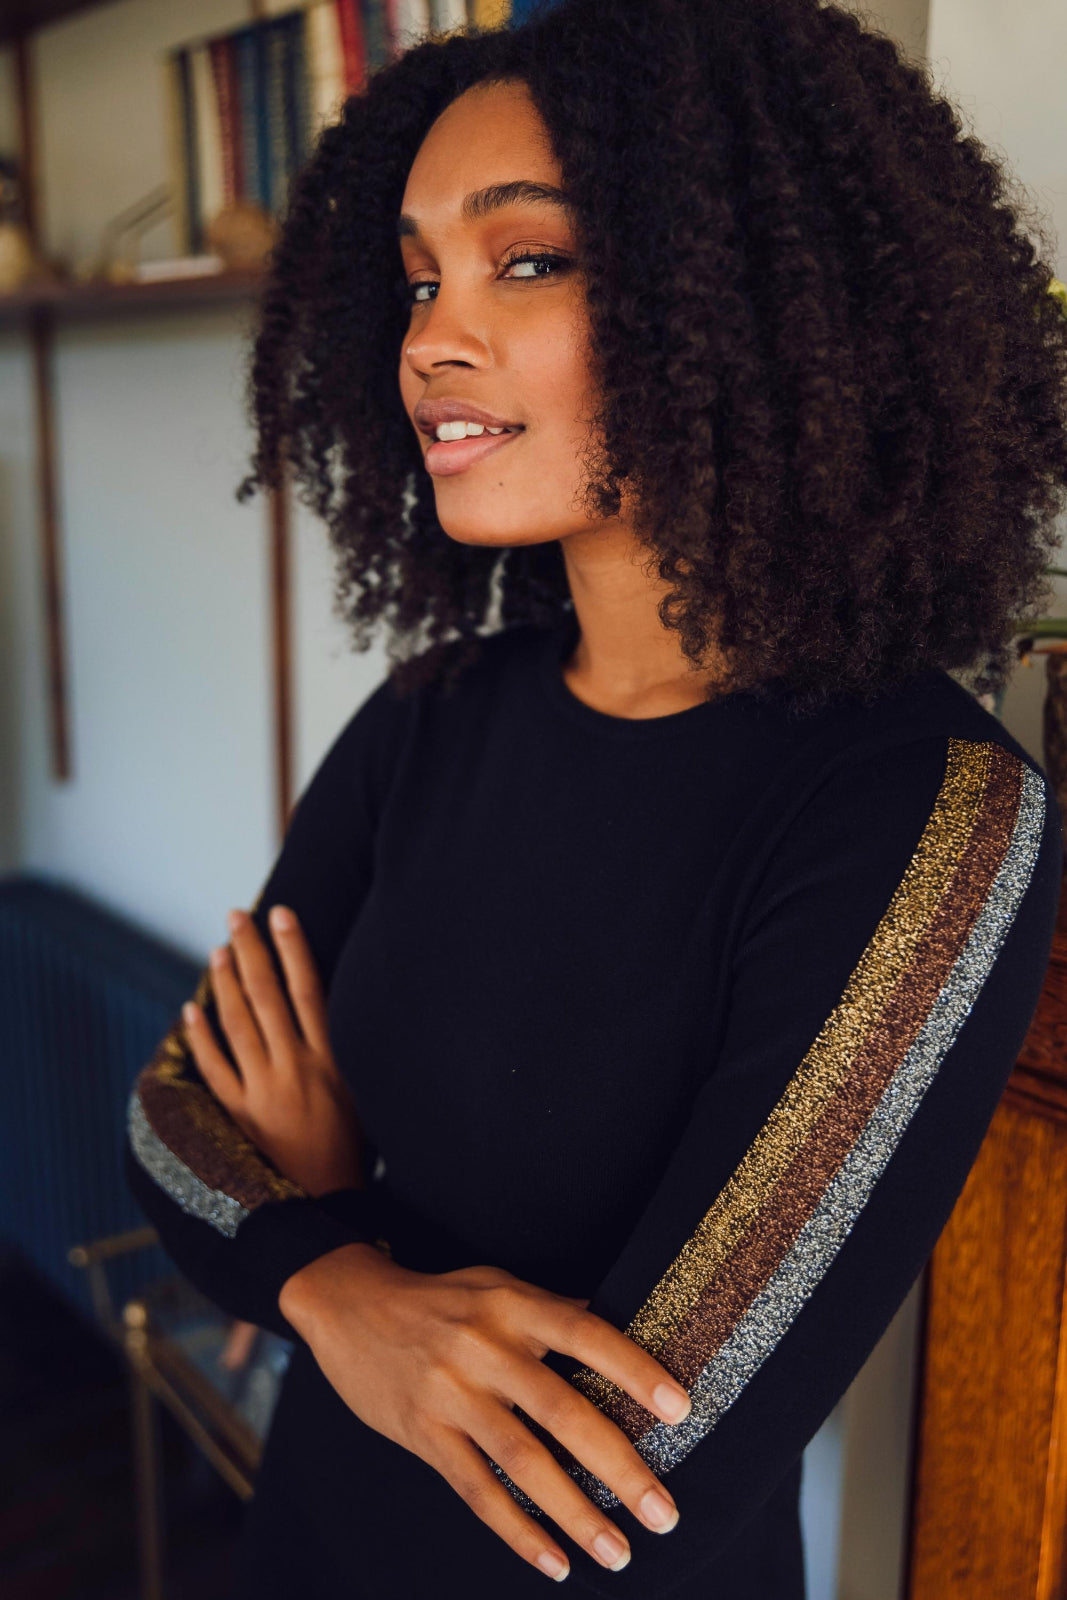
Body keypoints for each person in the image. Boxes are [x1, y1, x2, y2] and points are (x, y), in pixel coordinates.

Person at [123, 0, 1067, 1593]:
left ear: (754, 297)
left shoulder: (926, 815)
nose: (428, 335)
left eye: (528, 260)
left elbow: (637, 1448)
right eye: (420, 275)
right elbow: (173, 1123)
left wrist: (323, 1228)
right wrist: (337, 1279)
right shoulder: (433, 714)